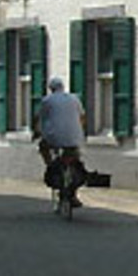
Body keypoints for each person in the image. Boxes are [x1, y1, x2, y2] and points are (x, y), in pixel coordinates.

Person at [34, 77, 87, 205]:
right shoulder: (74, 99)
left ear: (51, 89)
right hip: (74, 137)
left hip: (53, 137)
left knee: (43, 146)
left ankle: (51, 166)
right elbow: (82, 117)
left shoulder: (46, 101)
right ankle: (73, 194)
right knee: (74, 157)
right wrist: (80, 132)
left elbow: (38, 119)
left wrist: (36, 132)